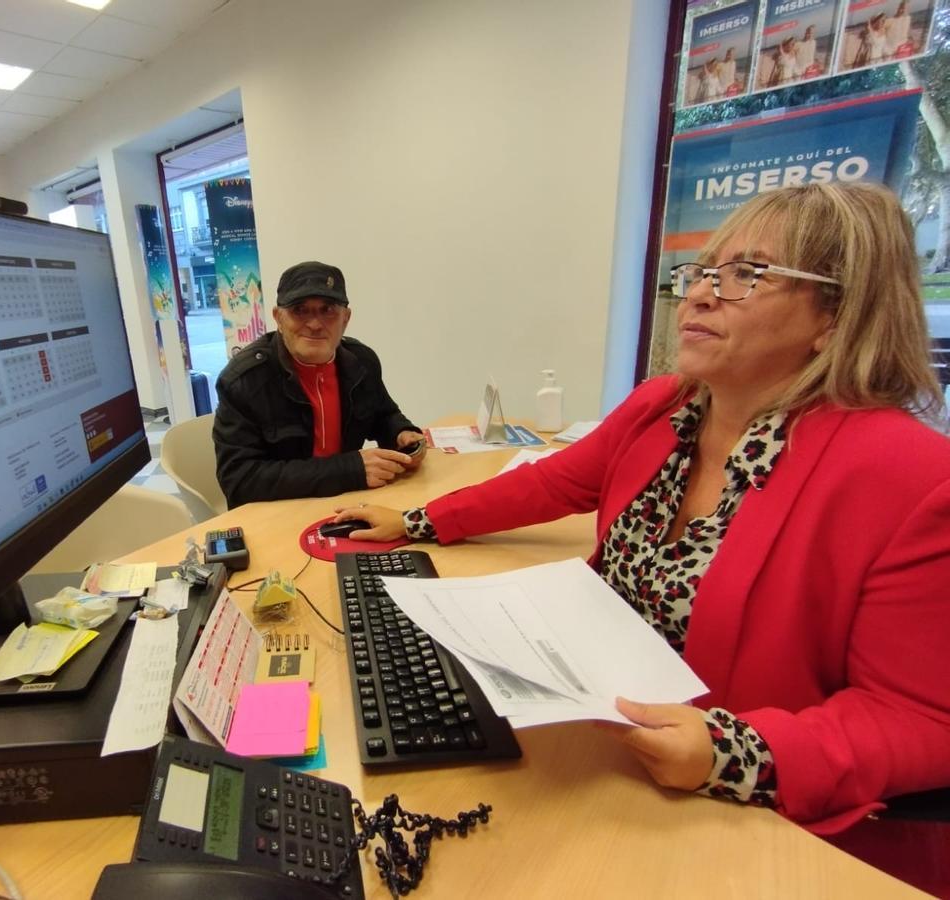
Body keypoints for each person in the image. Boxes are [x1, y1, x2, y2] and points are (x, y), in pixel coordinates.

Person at [333, 183, 950, 830]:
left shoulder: (911, 478)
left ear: (835, 316)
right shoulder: (666, 406)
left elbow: (923, 719)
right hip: (603, 744)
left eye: (747, 275)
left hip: (733, 814)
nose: (701, 294)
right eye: (705, 270)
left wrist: (731, 753)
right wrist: (418, 522)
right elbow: (555, 483)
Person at [213, 260, 425, 508]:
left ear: (345, 319)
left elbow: (382, 414)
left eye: (328, 310)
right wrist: (349, 470)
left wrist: (401, 433)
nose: (314, 324)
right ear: (278, 318)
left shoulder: (362, 362)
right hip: (277, 513)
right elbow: (240, 481)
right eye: (300, 310)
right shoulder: (243, 380)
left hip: (345, 503)